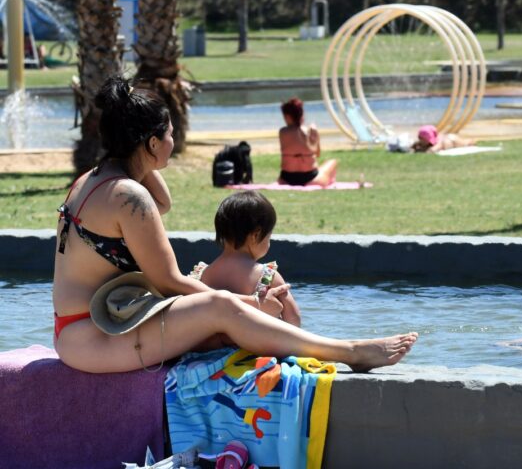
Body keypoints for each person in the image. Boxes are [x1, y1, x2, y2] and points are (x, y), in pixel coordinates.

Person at [53, 75, 417, 374]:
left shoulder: (92, 179)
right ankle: (350, 352)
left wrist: (141, 158)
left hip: (84, 332)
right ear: (151, 142)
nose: (173, 141)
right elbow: (169, 282)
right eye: (169, 134)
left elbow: (164, 203)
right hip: (95, 341)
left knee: (223, 322)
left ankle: (337, 348)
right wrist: (250, 302)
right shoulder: (128, 196)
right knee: (221, 307)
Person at [192, 191, 301, 327]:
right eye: (269, 237)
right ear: (256, 235)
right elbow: (293, 318)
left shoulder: (203, 274)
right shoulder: (266, 277)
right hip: (252, 338)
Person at [278, 97, 337, 187]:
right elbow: (318, 153)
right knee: (333, 162)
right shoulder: (310, 131)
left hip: (287, 178)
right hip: (310, 177)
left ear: (287, 116)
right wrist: (315, 135)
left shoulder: (282, 132)